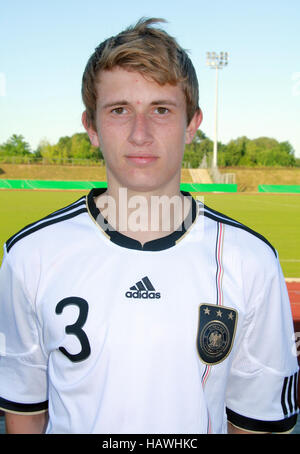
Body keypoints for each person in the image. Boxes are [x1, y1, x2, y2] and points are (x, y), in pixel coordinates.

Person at [0, 17, 298, 435]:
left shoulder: (250, 260)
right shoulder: (30, 254)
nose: (140, 133)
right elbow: (25, 412)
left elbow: (256, 422)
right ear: (92, 127)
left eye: (161, 109)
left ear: (192, 124)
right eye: (120, 110)